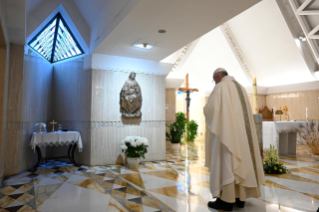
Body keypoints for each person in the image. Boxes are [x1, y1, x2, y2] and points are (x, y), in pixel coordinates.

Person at [204, 68, 265, 211]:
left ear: (218, 77)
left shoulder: (221, 87)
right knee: (241, 161)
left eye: (214, 80)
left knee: (227, 162)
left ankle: (226, 201)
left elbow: (210, 109)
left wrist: (205, 110)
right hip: (242, 136)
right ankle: (239, 197)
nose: (215, 83)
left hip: (227, 136)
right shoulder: (241, 88)